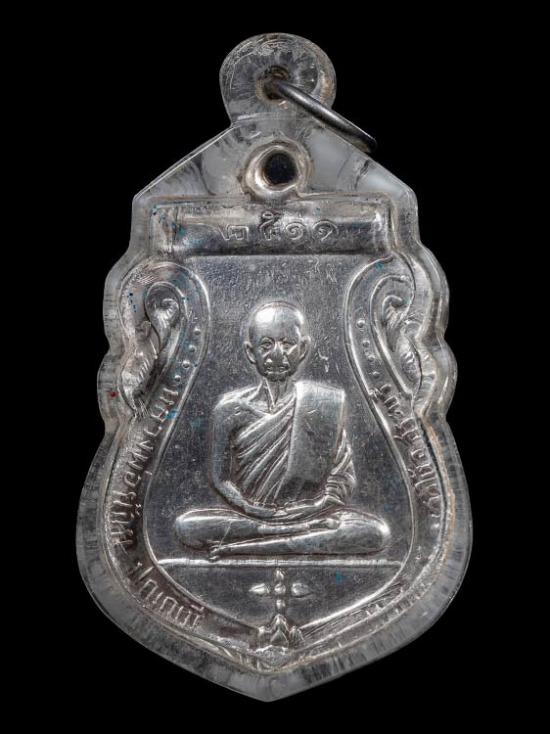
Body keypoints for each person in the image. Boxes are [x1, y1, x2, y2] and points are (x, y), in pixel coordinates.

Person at [175, 301, 389, 558]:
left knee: (376, 532)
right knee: (187, 526)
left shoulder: (323, 404)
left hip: (313, 513)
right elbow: (221, 479)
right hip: (249, 516)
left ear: (303, 349)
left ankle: (250, 544)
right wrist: (252, 509)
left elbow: (342, 478)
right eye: (266, 345)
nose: (277, 354)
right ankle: (293, 534)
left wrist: (316, 507)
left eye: (287, 344)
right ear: (251, 352)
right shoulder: (230, 409)